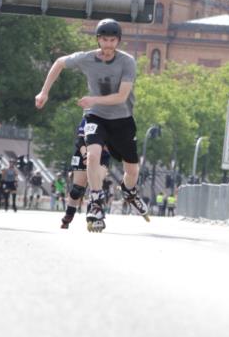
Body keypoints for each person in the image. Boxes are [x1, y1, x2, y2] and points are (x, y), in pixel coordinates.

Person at [35, 18, 149, 233]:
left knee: (132, 170)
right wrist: (44, 91)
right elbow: (60, 62)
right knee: (93, 155)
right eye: (104, 40)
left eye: (112, 40)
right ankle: (96, 201)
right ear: (98, 39)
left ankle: (129, 190)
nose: (108, 45)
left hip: (122, 119)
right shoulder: (86, 58)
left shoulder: (127, 62)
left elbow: (122, 96)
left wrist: (93, 99)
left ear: (118, 41)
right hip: (95, 116)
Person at [60, 116, 111, 230]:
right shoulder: (88, 118)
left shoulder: (115, 119)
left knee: (96, 185)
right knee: (77, 189)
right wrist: (85, 155)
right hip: (82, 152)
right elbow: (79, 140)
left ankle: (94, 216)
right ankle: (69, 214)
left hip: (102, 156)